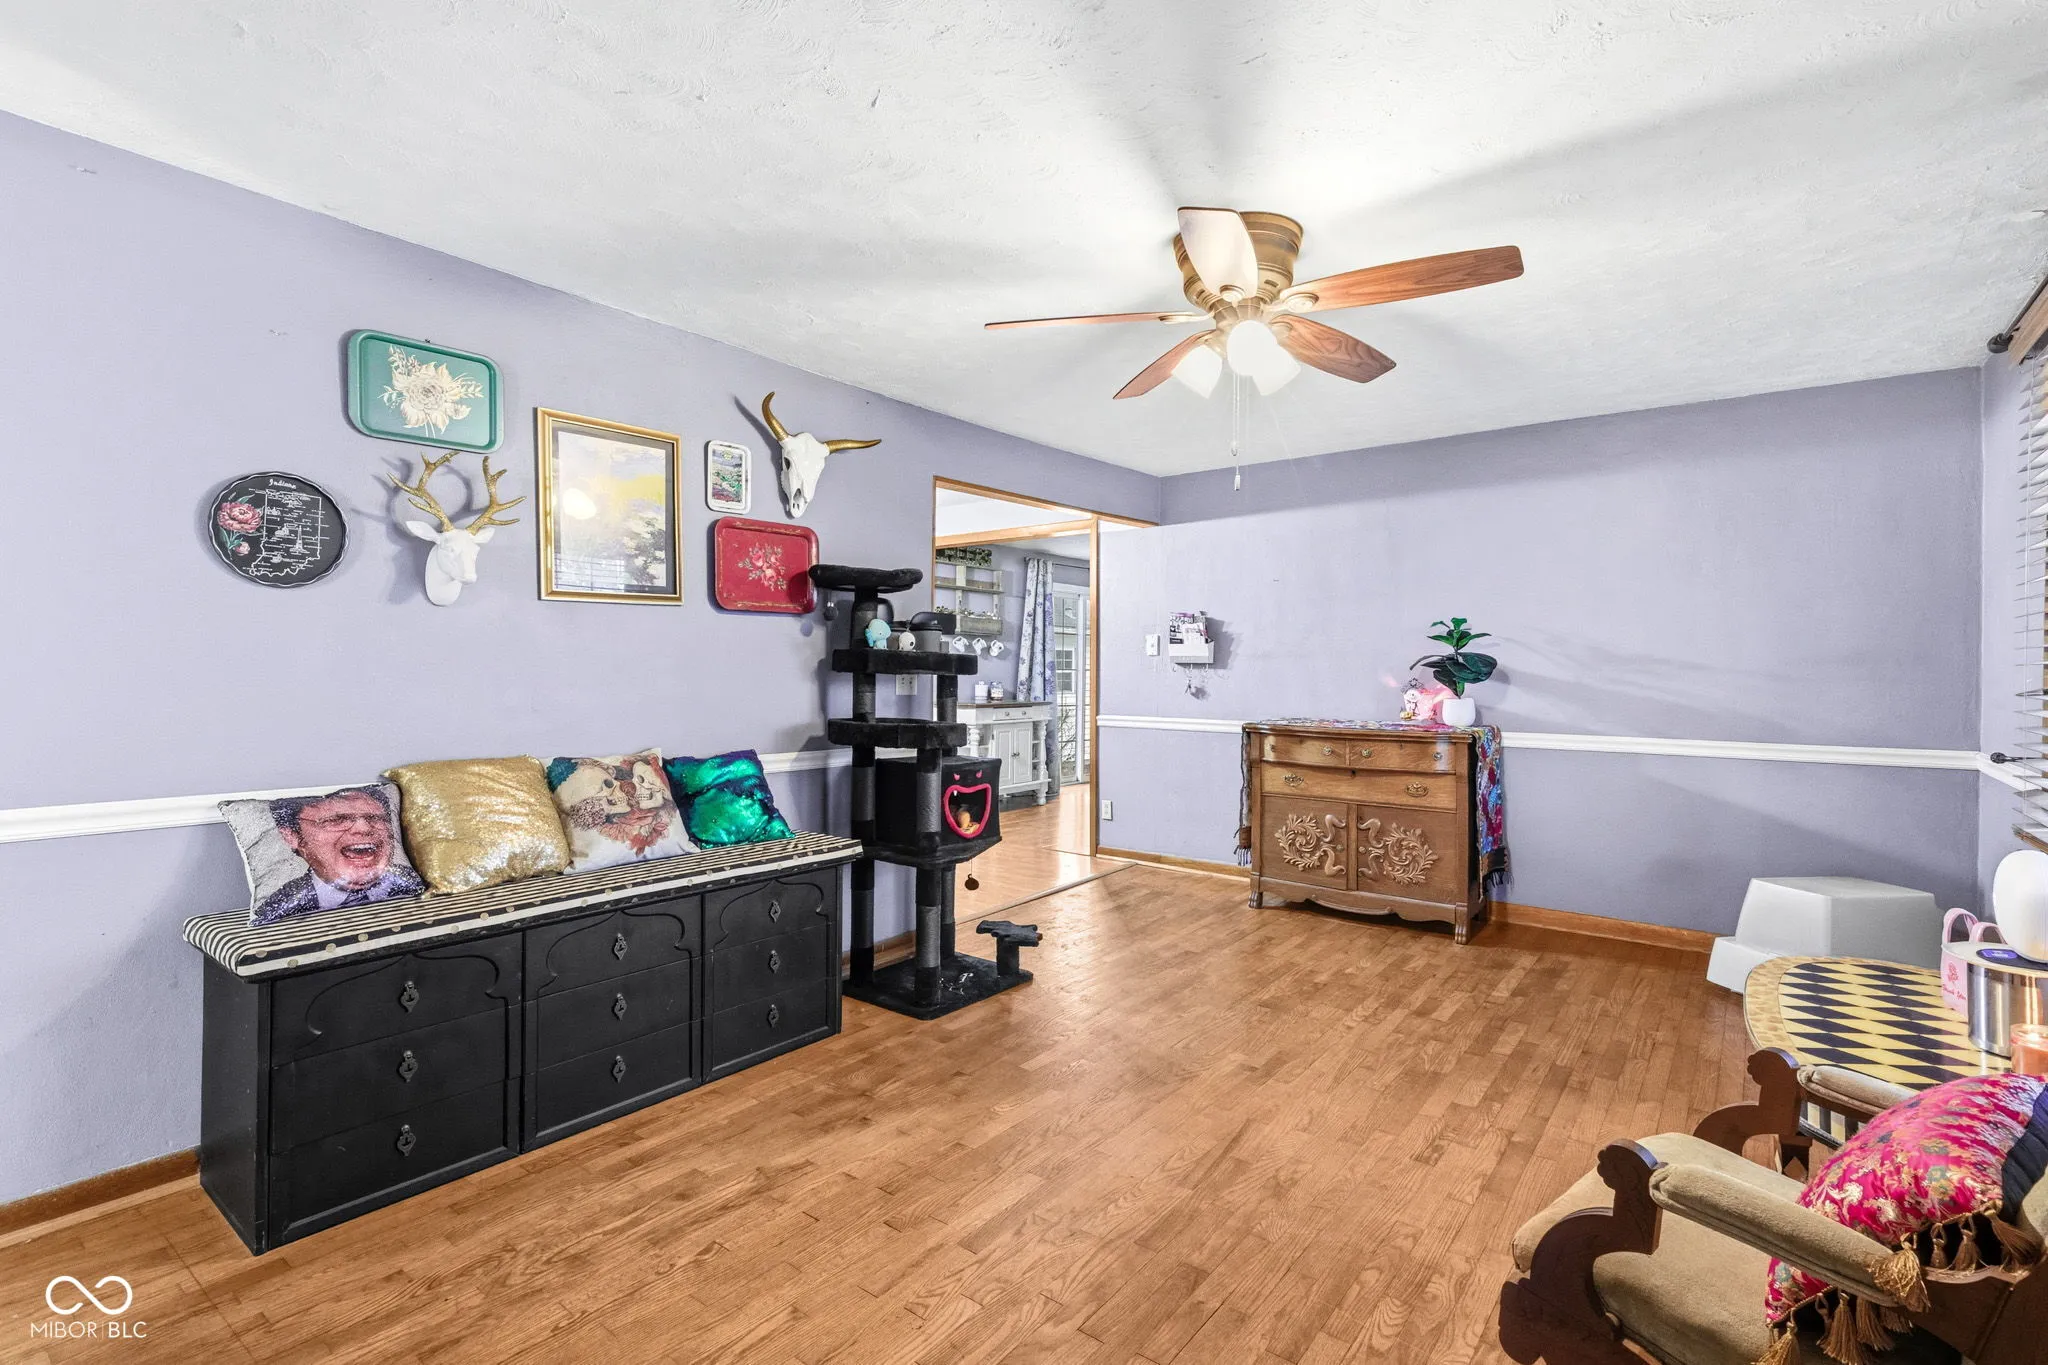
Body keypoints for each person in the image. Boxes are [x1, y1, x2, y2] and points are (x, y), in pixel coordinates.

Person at [256, 786, 424, 922]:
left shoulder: (423, 881)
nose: (364, 828)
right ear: (292, 836)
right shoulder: (275, 906)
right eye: (336, 819)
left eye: (375, 818)